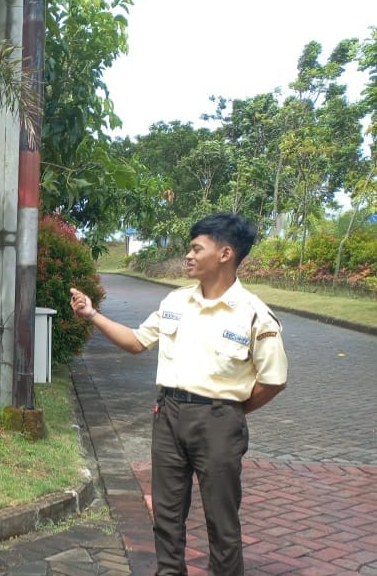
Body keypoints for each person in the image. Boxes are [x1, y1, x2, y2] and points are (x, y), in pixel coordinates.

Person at [70, 212, 289, 576]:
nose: (188, 255)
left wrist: (229, 411)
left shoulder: (254, 315)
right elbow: (137, 341)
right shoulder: (175, 302)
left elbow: (273, 380)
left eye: (196, 248)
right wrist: (92, 314)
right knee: (167, 515)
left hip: (219, 422)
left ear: (225, 254)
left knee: (221, 520)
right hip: (168, 416)